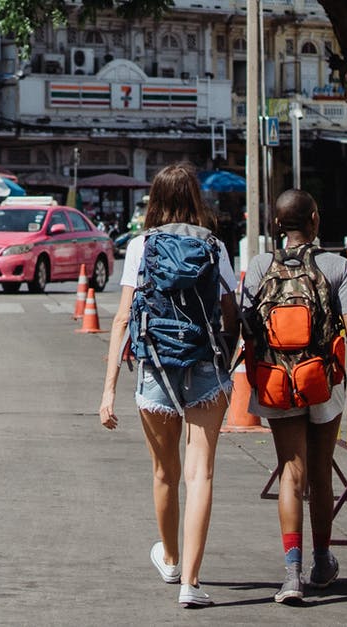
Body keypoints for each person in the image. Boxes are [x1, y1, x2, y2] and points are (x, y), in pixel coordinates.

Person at [98, 163, 239, 608]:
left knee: (165, 472)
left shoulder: (141, 246)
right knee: (202, 474)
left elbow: (122, 318)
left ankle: (172, 558)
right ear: (196, 198)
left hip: (156, 367)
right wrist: (227, 361)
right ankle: (191, 584)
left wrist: (107, 391)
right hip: (205, 368)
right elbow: (230, 312)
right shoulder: (215, 246)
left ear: (155, 200)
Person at [242, 190, 347, 604]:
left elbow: (247, 323)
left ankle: (291, 575)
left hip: (277, 382)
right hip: (321, 383)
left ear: (277, 225)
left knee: (291, 473)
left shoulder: (260, 266)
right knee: (320, 473)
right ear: (314, 218)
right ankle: (322, 561)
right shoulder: (338, 266)